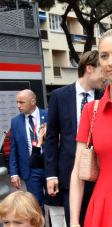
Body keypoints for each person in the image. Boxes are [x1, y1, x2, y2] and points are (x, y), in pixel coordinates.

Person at [45, 50, 104, 227]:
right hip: (69, 174)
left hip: (101, 176)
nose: (106, 76)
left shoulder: (104, 98)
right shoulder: (59, 96)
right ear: (89, 69)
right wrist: (51, 175)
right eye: (102, 70)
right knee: (74, 222)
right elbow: (51, 137)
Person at [69, 29, 112, 226]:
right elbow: (78, 170)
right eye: (104, 56)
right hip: (103, 207)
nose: (110, 62)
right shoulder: (91, 111)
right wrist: (75, 221)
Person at [9, 89, 47, 212]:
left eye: (21, 102)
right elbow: (13, 148)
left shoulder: (48, 115)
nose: (18, 106)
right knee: (36, 207)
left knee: (55, 204)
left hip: (49, 166)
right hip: (31, 170)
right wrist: (14, 173)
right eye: (17, 102)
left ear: (33, 101)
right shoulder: (15, 122)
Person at [29, 123, 66, 227]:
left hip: (68, 194)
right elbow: (33, 163)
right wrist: (39, 141)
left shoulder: (68, 151)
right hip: (55, 197)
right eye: (47, 135)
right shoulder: (47, 154)